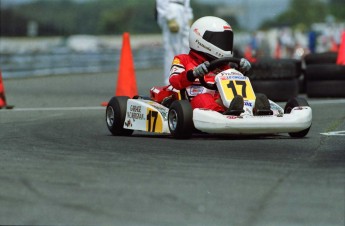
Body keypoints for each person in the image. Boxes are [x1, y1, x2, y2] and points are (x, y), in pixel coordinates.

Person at [168, 16, 270, 116]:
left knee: (254, 97)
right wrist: (193, 73)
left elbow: (233, 84)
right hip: (192, 104)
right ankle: (221, 115)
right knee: (203, 99)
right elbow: (174, 81)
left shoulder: (223, 66)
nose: (224, 44)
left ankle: (257, 110)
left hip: (224, 101)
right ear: (200, 39)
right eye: (219, 40)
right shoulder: (183, 59)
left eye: (225, 40)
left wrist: (241, 71)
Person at [155, 0, 193, 85]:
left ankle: (183, 80)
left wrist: (189, 16)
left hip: (184, 10)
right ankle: (169, 82)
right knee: (171, 49)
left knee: (186, 48)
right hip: (171, 9)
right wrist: (169, 17)